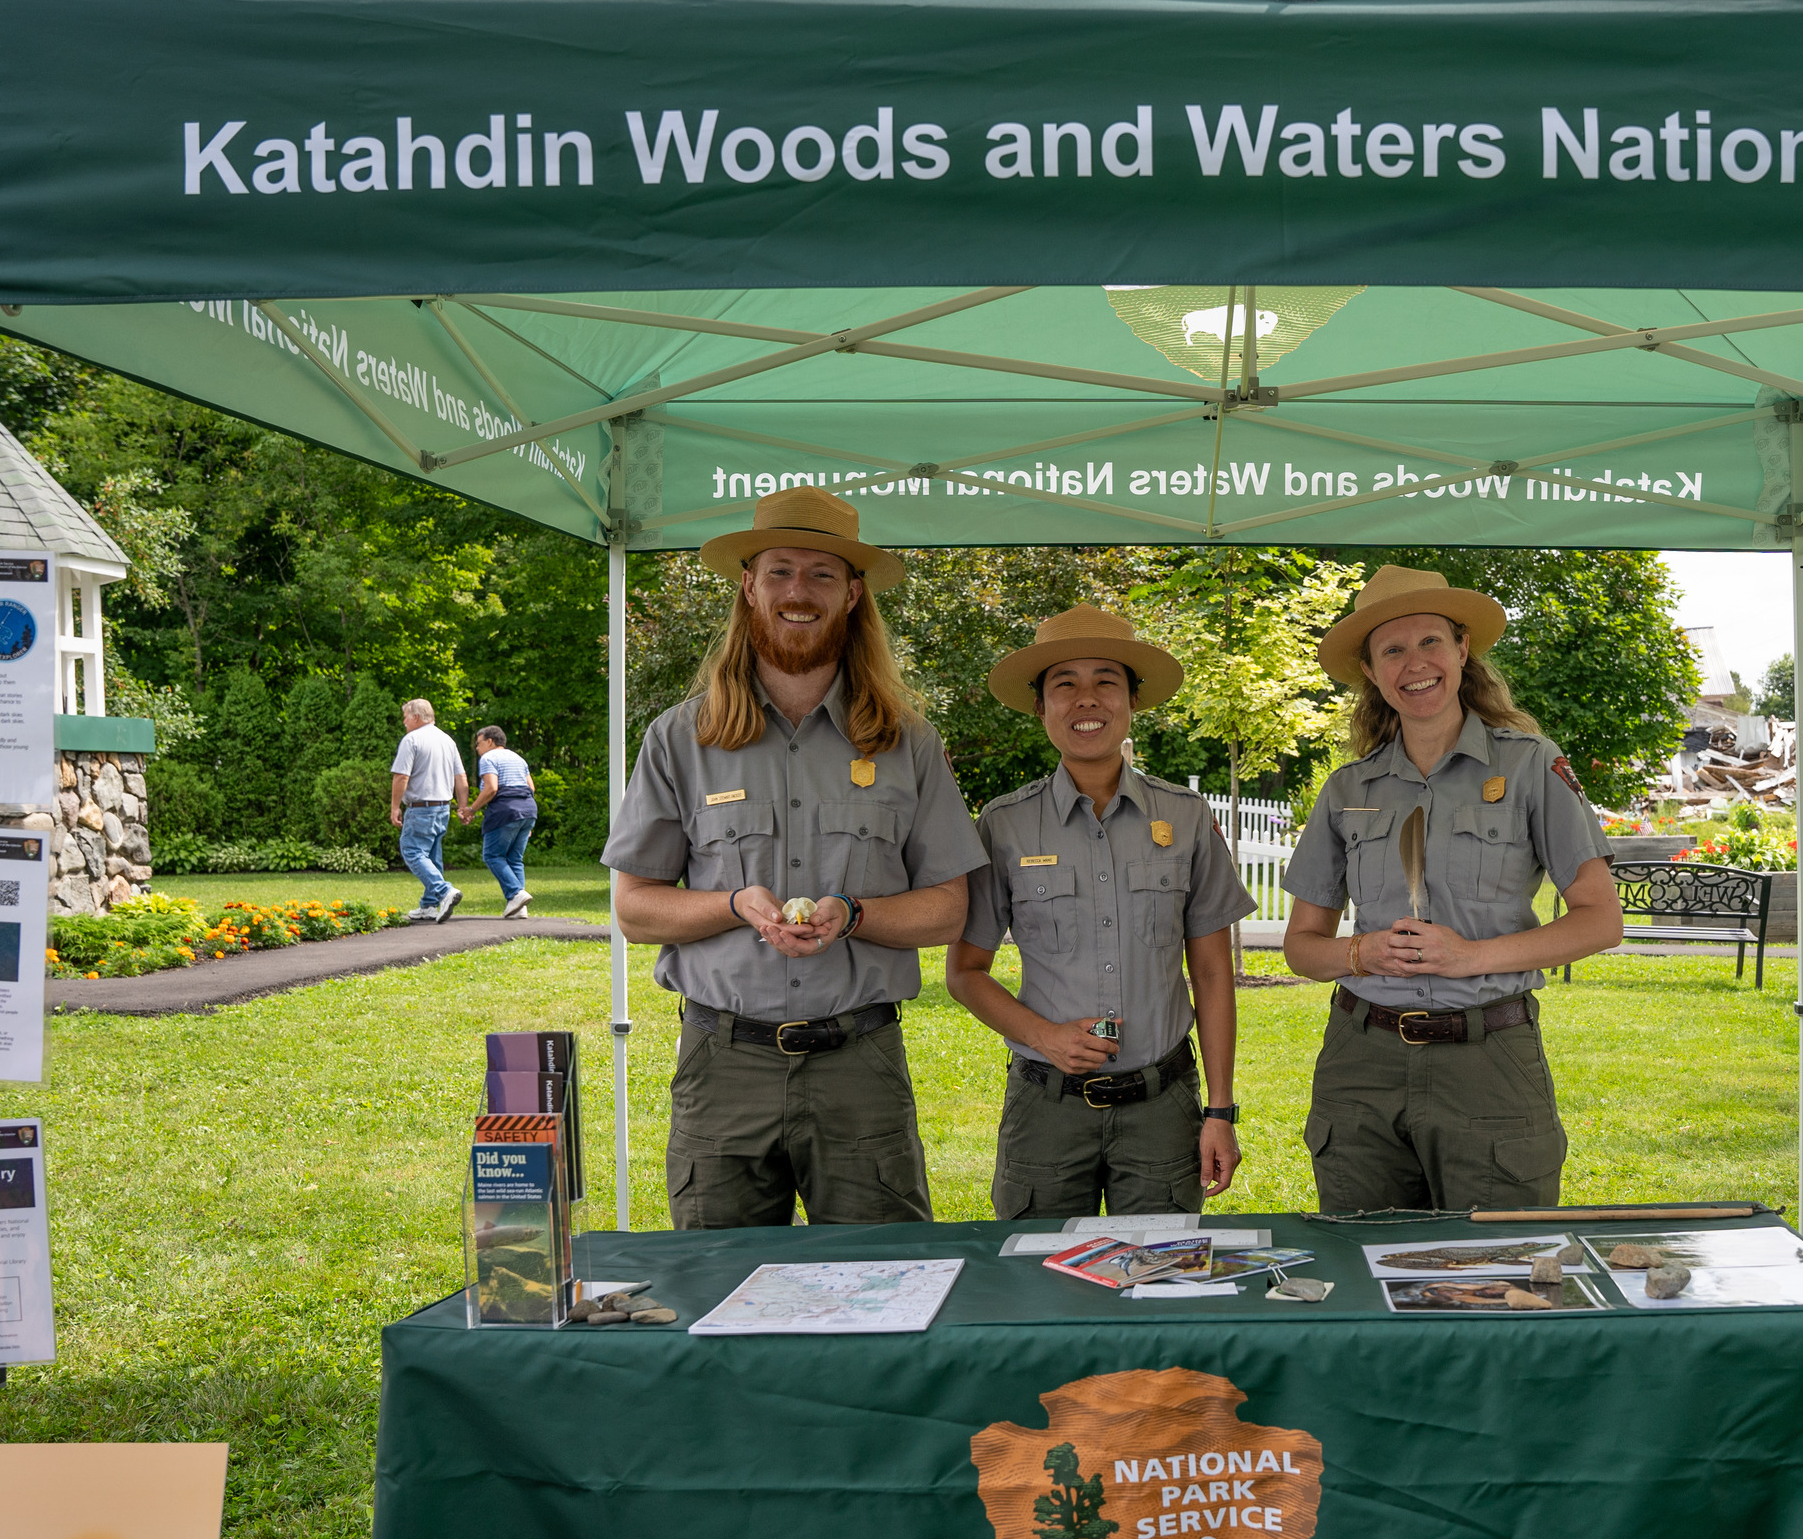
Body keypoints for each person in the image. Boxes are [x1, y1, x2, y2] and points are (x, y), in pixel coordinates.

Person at [602, 487, 982, 1227]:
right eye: (779, 571)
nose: (797, 592)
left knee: (884, 1290)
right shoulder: (681, 738)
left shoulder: (908, 742)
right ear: (748, 587)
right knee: (718, 1293)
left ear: (852, 593)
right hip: (723, 1065)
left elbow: (948, 907)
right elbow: (635, 907)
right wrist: (735, 903)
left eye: (821, 574)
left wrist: (855, 914)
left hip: (858, 1066)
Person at [1280, 565, 1623, 1215]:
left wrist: (1471, 956)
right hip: (1362, 1062)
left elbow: (1600, 920)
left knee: (1498, 1272)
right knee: (1362, 1266)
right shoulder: (1347, 791)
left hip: (1488, 1060)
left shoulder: (1528, 766)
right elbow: (1302, 947)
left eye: (1430, 641)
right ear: (1373, 672)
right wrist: (1362, 954)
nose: (1415, 663)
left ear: (1462, 650)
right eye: (1392, 649)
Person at [948, 607, 1253, 1219]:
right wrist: (1045, 1037)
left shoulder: (1187, 818)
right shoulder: (1003, 825)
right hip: (1047, 1111)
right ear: (1041, 707)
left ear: (1133, 699)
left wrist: (1219, 1111)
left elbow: (1215, 975)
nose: (1086, 699)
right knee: (1037, 1288)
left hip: (1162, 1109)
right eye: (1064, 683)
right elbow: (966, 973)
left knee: (1164, 1285)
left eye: (1106, 681)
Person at [387, 698, 468, 922]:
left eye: (405, 716)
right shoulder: (447, 740)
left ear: (416, 717)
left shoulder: (411, 739)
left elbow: (401, 776)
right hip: (443, 807)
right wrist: (462, 807)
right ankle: (429, 904)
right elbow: (461, 777)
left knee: (411, 851)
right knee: (432, 855)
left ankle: (444, 891)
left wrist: (395, 806)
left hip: (420, 807)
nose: (403, 721)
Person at [466, 725, 538, 917]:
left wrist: (472, 809)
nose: (477, 748)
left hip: (505, 810)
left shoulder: (488, 758)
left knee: (492, 855)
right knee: (515, 858)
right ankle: (519, 908)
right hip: (528, 809)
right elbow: (531, 788)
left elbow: (491, 788)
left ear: (490, 741)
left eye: (478, 743)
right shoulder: (518, 758)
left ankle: (516, 893)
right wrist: (525, 820)